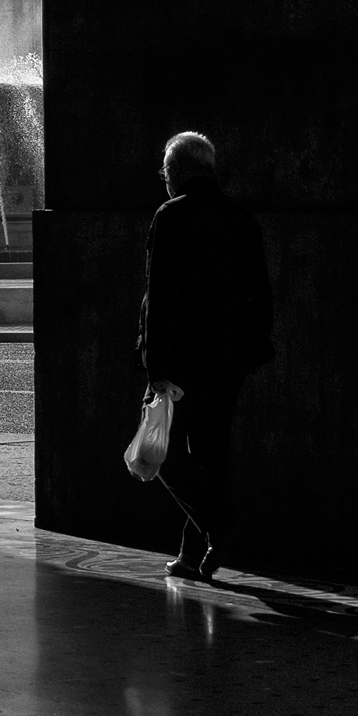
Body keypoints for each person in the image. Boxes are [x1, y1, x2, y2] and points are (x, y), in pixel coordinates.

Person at [137, 130, 273, 582]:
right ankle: (194, 555)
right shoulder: (240, 217)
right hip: (230, 360)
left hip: (182, 362)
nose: (165, 179)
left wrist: (156, 367)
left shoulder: (172, 215)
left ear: (176, 172)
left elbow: (161, 297)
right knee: (211, 455)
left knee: (162, 455)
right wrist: (255, 349)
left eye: (165, 172)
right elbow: (261, 293)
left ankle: (220, 519)